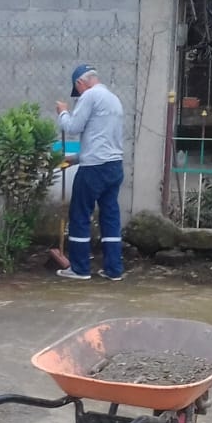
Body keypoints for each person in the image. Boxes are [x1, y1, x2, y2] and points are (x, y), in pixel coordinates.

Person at [54, 64, 125, 281]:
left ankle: (80, 268)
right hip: (114, 166)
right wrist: (75, 159)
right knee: (110, 216)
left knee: (80, 214)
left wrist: (63, 112)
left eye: (78, 90)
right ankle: (114, 269)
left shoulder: (90, 96)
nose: (79, 95)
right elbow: (102, 139)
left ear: (80, 83)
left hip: (93, 169)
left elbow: (73, 127)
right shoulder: (114, 99)